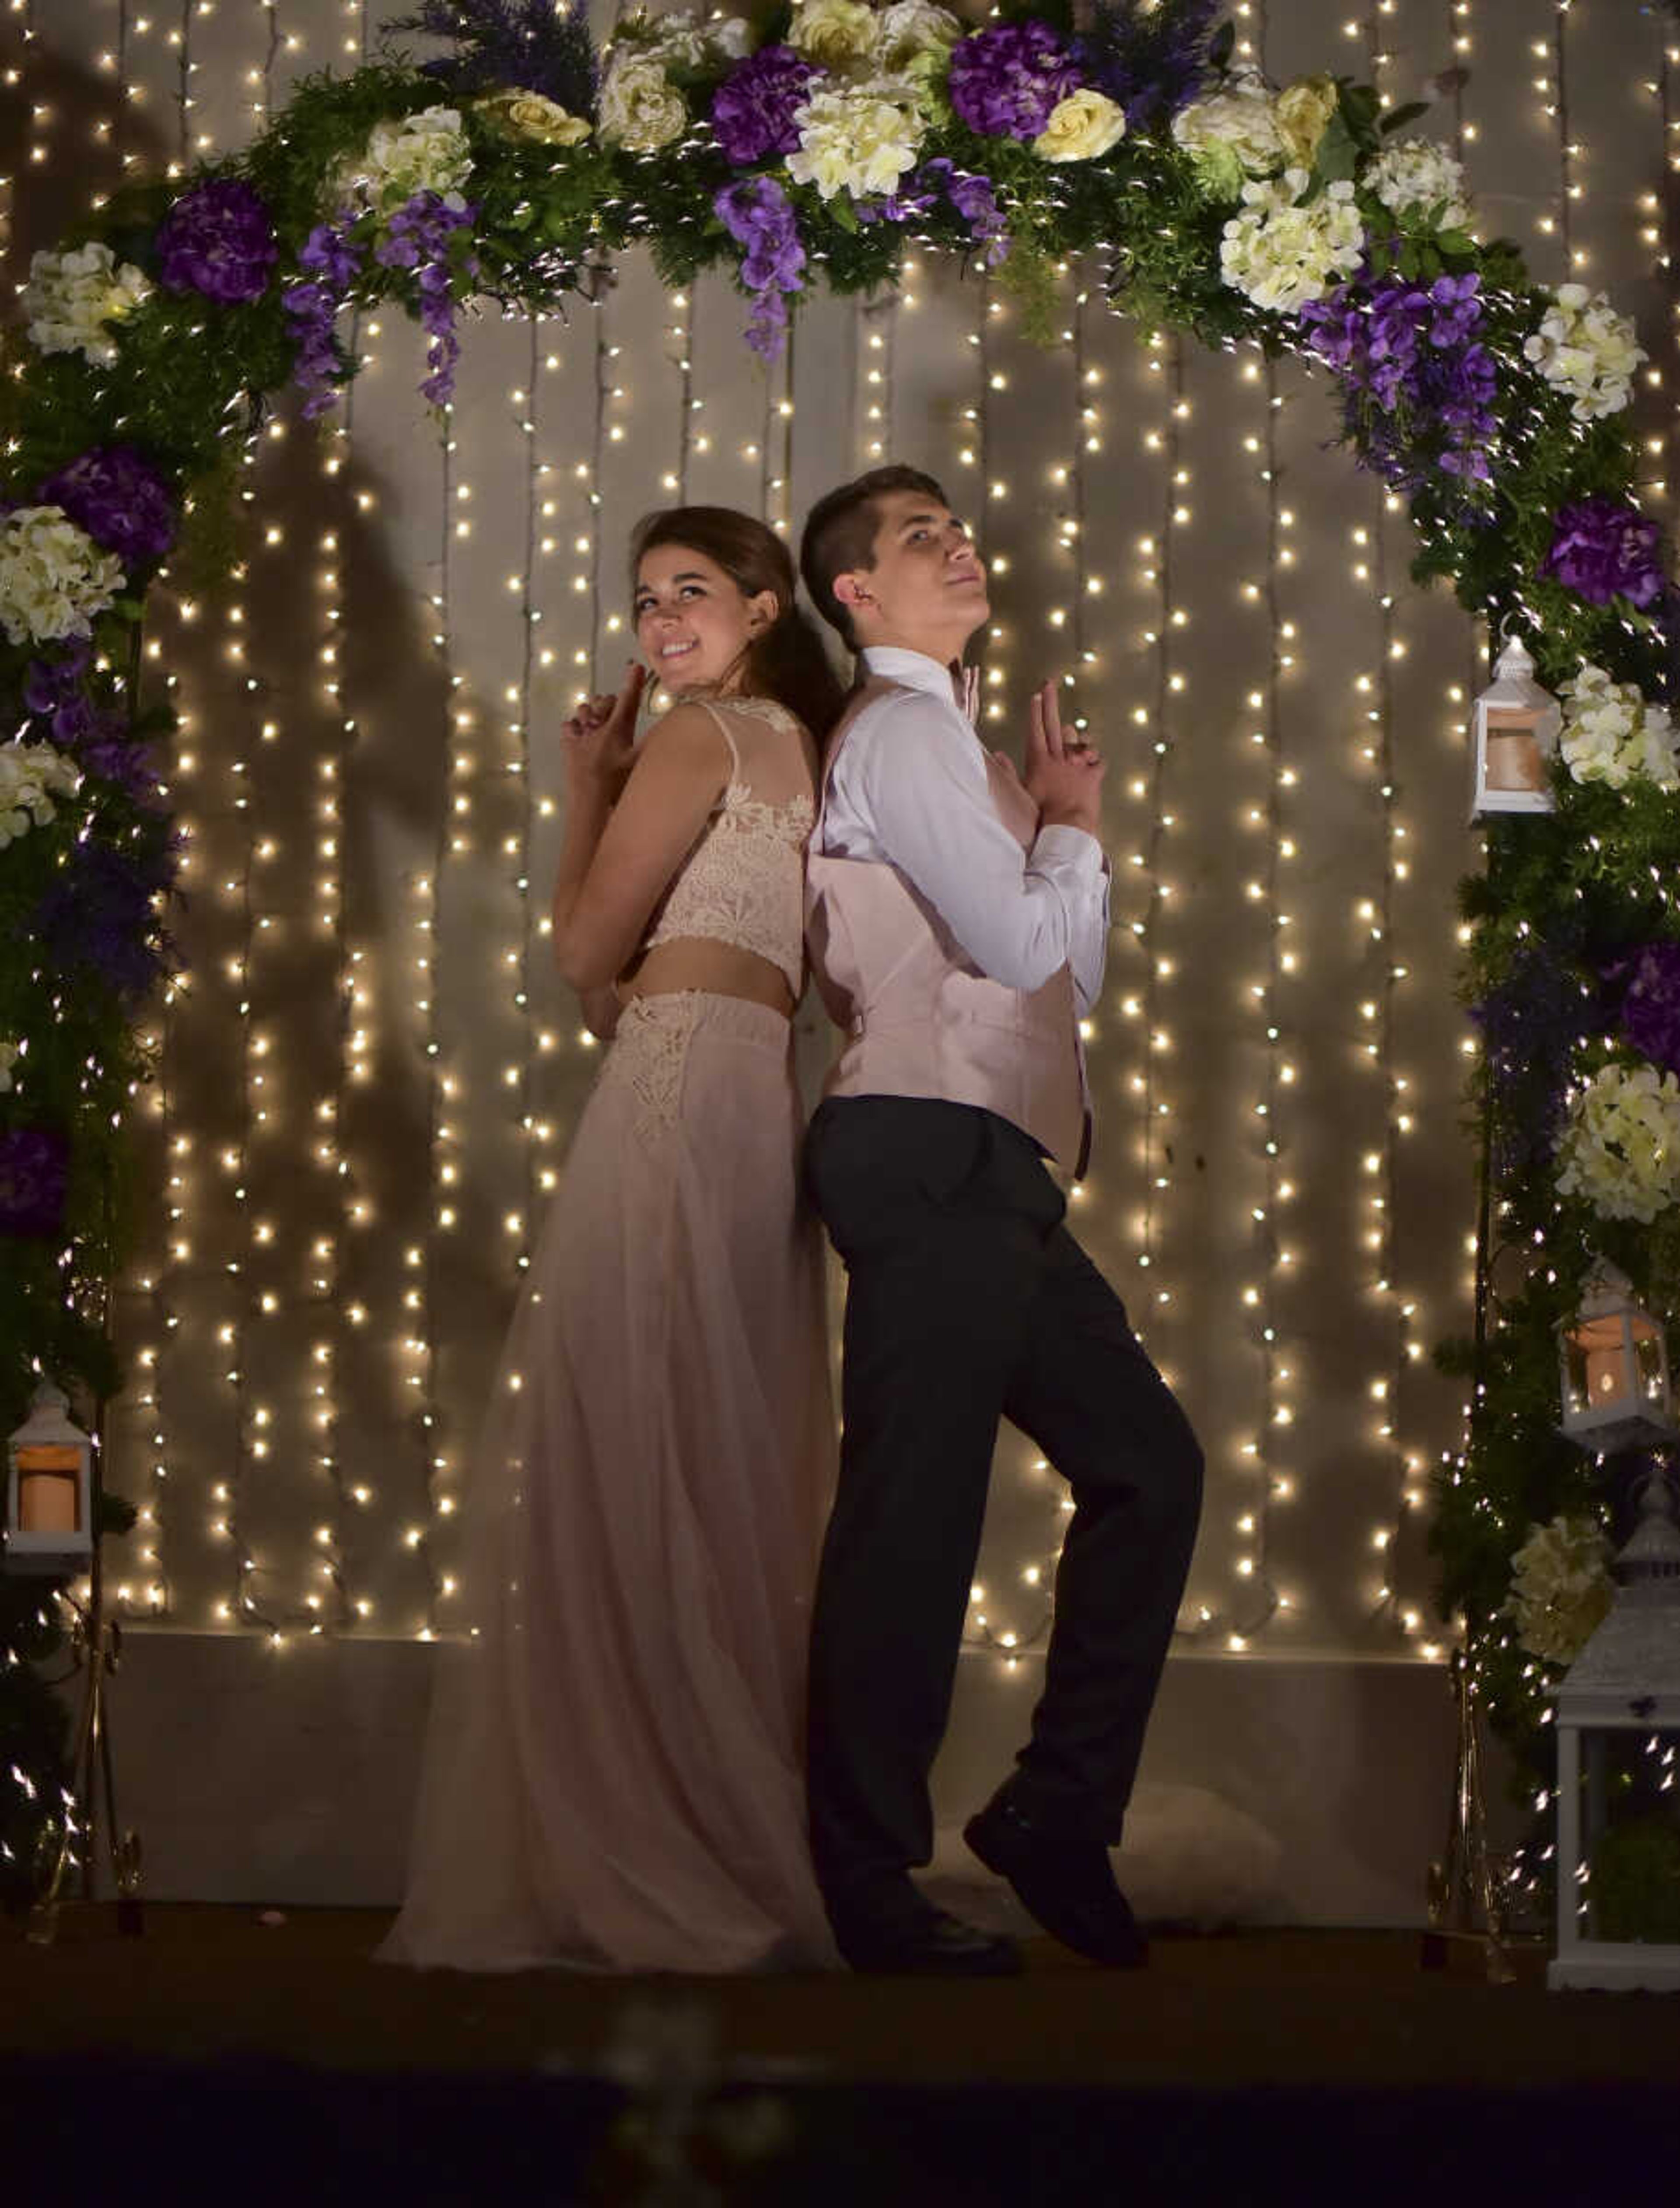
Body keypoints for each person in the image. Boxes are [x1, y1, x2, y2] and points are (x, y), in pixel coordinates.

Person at [381, 507, 846, 1973]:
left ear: (765, 606)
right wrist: (601, 784)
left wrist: (582, 790)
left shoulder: (707, 738)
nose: (660, 625)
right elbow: (606, 990)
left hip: (675, 1096)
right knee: (701, 1448)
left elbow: (585, 961)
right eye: (645, 601)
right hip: (737, 1095)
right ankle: (678, 1815)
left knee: (630, 1440)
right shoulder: (801, 748)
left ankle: (638, 1820)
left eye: (690, 593)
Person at [796, 464, 1204, 1977]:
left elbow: (1064, 981)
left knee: (1150, 1470)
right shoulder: (902, 730)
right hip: (924, 1148)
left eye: (958, 527)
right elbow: (1030, 939)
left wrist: (1064, 817)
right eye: (919, 539)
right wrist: (1064, 843)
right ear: (856, 594)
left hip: (998, 1168)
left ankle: (1051, 1813)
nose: (956, 545)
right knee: (916, 1520)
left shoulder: (957, 752)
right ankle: (866, 1879)